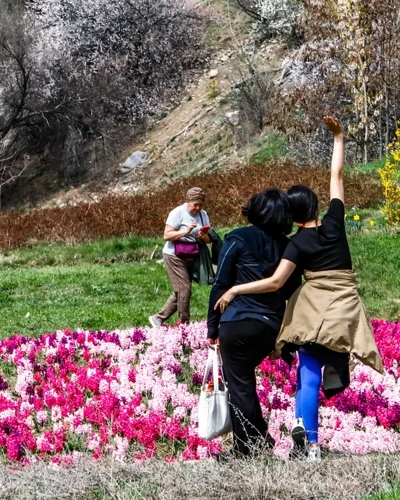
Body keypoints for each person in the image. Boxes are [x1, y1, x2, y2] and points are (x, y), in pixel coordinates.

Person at [214, 117, 384, 462]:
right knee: (334, 355)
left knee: (307, 375)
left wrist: (234, 291)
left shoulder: (296, 244)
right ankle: (336, 373)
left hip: (314, 312)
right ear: (317, 205)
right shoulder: (335, 222)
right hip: (346, 308)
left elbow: (277, 281)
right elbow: (336, 176)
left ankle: (310, 443)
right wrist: (338, 136)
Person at [206, 189, 301, 462]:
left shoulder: (237, 237)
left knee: (241, 387)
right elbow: (292, 291)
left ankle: (244, 450)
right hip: (270, 326)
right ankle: (259, 438)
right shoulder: (289, 247)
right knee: (244, 382)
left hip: (238, 322)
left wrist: (212, 328)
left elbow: (221, 283)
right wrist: (285, 339)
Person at [149, 187, 211, 327]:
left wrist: (204, 236)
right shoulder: (177, 213)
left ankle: (158, 318)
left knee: (181, 289)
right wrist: (186, 231)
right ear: (188, 201)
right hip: (174, 255)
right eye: (195, 204)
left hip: (192, 255)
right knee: (184, 289)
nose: (198, 208)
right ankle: (184, 324)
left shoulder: (203, 215)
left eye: (201, 204)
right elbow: (167, 235)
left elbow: (208, 240)